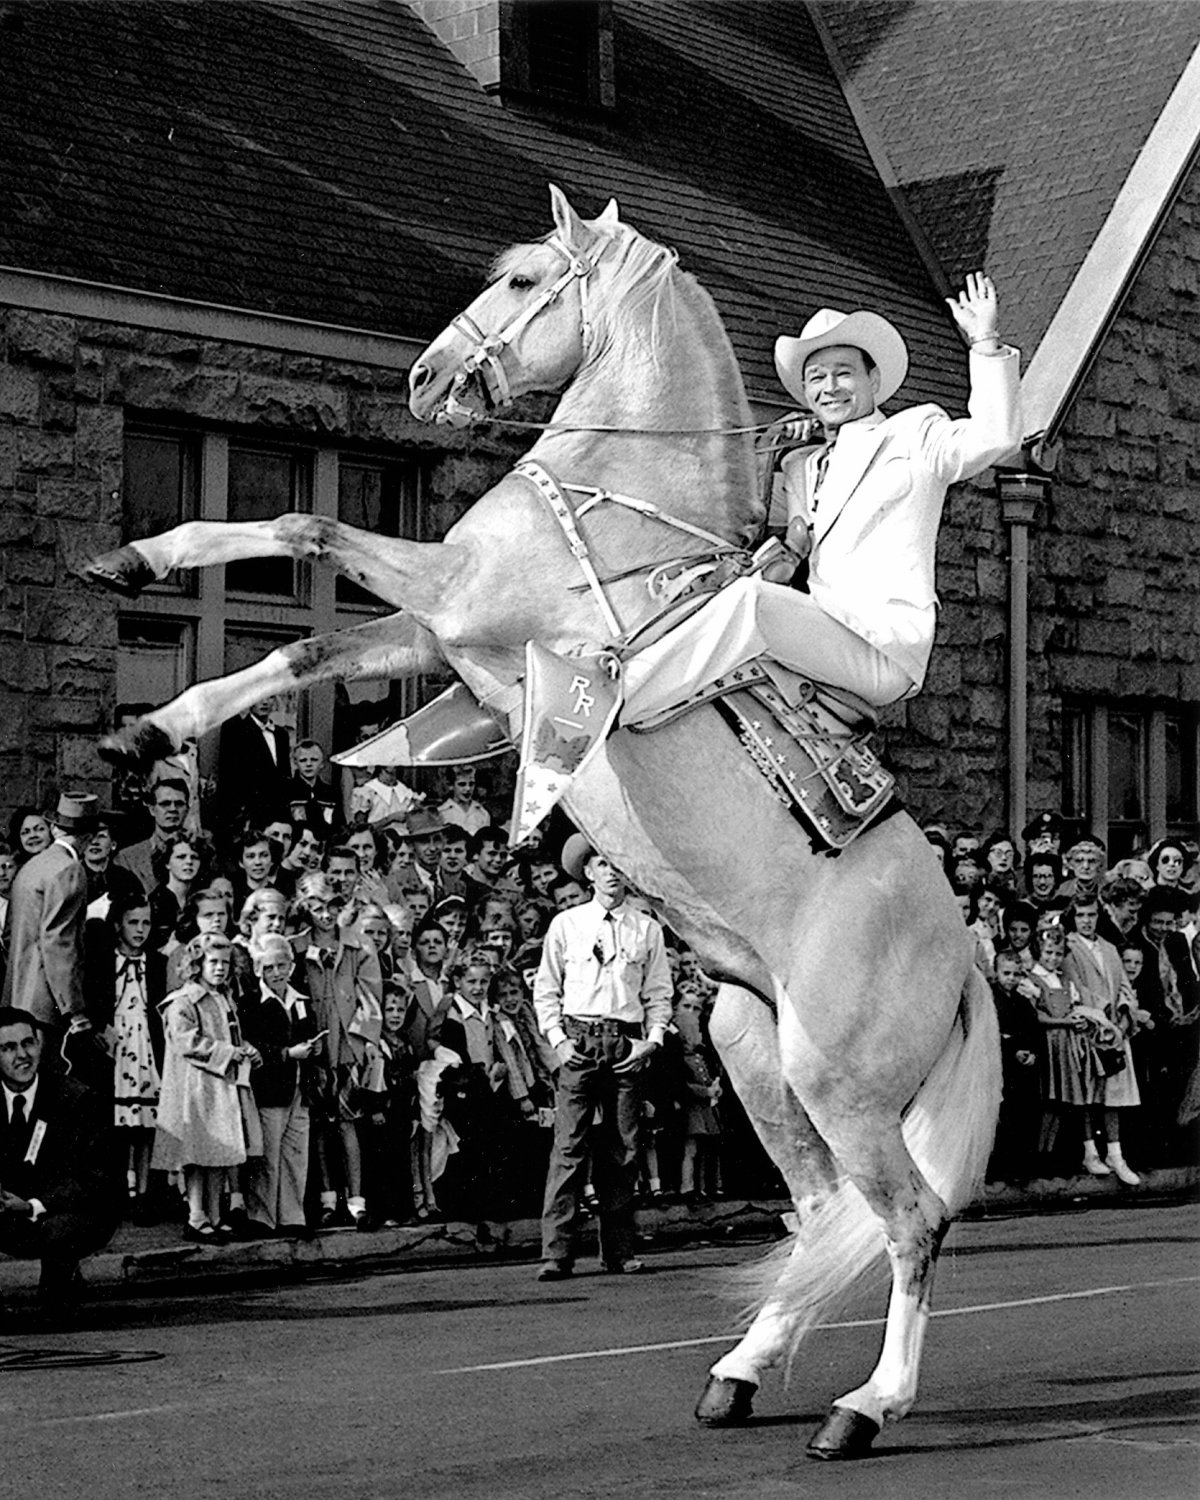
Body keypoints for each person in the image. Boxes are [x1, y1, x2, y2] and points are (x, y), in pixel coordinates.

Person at [619, 275, 1021, 722]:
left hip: (883, 644)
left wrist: (985, 341)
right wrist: (770, 447)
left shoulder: (913, 433)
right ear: (807, 393)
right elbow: (743, 529)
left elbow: (995, 436)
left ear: (873, 378)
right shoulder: (800, 466)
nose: (830, 387)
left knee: (751, 604)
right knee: (703, 589)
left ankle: (615, 700)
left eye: (844, 373)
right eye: (817, 378)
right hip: (820, 627)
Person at [533, 834, 673, 1279]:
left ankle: (618, 1250)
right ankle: (556, 1254)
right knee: (568, 1149)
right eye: (601, 864)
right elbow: (546, 990)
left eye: (617, 864)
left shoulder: (646, 929)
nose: (611, 872)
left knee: (623, 1151)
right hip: (579, 1040)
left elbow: (659, 994)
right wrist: (559, 1041)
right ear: (588, 873)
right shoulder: (567, 925)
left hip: (624, 1043)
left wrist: (649, 1042)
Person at [0, 1006, 121, 1320]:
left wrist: (33, 1205)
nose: (22, 1055)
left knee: (62, 1228)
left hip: (62, 1208)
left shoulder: (75, 1098)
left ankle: (59, 1287)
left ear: (40, 1044)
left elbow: (93, 1177)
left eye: (28, 1043)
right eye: (8, 1048)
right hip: (8, 1208)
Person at [152, 933, 263, 1243]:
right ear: (197, 964)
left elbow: (229, 1035)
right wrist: (229, 1053)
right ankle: (197, 1216)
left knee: (219, 1155)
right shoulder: (184, 1000)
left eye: (225, 963)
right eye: (212, 962)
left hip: (219, 1087)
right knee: (197, 1157)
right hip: (195, 1089)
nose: (220, 968)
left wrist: (245, 1049)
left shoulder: (223, 997)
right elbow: (186, 1042)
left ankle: (215, 1215)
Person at [84, 892, 167, 1220]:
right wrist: (99, 1027)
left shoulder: (156, 962)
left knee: (146, 1126)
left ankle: (145, 1195)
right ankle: (120, 1191)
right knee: (116, 1125)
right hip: (115, 1047)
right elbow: (90, 999)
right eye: (133, 922)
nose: (140, 929)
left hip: (146, 1047)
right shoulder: (104, 961)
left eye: (146, 922)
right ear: (117, 924)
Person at [240, 933, 323, 1238]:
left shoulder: (299, 999)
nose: (276, 972)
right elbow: (254, 1046)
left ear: (291, 965)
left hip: (300, 1089)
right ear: (258, 968)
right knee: (267, 1156)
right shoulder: (251, 1003)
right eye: (269, 967)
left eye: (282, 965)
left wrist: (312, 1050)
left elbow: (309, 1033)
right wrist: (288, 1053)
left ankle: (292, 1215)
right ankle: (261, 1217)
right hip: (271, 1089)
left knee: (295, 1155)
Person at [2, 793, 98, 1054]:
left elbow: (10, 934)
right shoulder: (69, 869)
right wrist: (73, 1009)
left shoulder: (31, 866)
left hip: (17, 997)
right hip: (46, 1003)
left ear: (56, 829)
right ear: (88, 836)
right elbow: (58, 942)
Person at [1063, 897, 1144, 1185]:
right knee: (1086, 1094)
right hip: (1088, 1029)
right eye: (1081, 915)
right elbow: (1075, 988)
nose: (1087, 920)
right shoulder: (1068, 947)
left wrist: (1122, 1020)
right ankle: (1089, 1151)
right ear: (1074, 917)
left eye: (1092, 915)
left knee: (1113, 1096)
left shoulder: (1109, 948)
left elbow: (1124, 987)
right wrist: (1101, 1020)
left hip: (1114, 1033)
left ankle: (1115, 1154)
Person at [113, 778, 191, 894]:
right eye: (165, 804)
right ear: (152, 809)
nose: (173, 809)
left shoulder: (202, 854)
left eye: (179, 804)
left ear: (187, 810)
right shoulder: (127, 858)